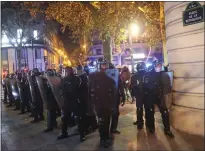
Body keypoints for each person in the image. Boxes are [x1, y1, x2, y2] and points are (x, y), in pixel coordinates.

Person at [88, 61, 118, 148]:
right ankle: (103, 139)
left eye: (105, 67)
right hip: (99, 106)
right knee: (102, 123)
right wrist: (90, 106)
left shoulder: (110, 80)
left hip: (107, 105)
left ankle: (106, 137)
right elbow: (90, 94)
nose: (103, 69)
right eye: (102, 67)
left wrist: (113, 105)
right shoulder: (93, 80)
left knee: (106, 121)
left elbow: (113, 94)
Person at [143, 61, 174, 138]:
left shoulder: (164, 74)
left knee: (165, 112)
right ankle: (151, 127)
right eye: (157, 65)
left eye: (160, 65)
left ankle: (167, 129)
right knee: (150, 111)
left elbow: (168, 87)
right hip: (151, 96)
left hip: (160, 96)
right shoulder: (149, 74)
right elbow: (146, 86)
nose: (159, 67)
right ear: (154, 66)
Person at [57, 66, 81, 140]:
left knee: (77, 117)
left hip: (72, 101)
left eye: (67, 71)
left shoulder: (75, 79)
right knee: (65, 118)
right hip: (69, 101)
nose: (67, 72)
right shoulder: (70, 79)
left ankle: (81, 132)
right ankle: (65, 133)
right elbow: (60, 89)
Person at [109, 63, 125, 134]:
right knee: (115, 114)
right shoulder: (116, 75)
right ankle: (113, 129)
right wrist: (123, 96)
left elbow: (121, 86)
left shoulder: (102, 75)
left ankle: (111, 130)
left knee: (109, 115)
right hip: (114, 97)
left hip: (109, 98)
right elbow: (121, 86)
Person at [130, 62, 146, 130]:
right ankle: (140, 122)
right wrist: (133, 95)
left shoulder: (147, 74)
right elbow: (132, 87)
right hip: (139, 94)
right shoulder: (134, 76)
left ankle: (146, 123)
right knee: (139, 108)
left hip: (146, 94)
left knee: (146, 109)